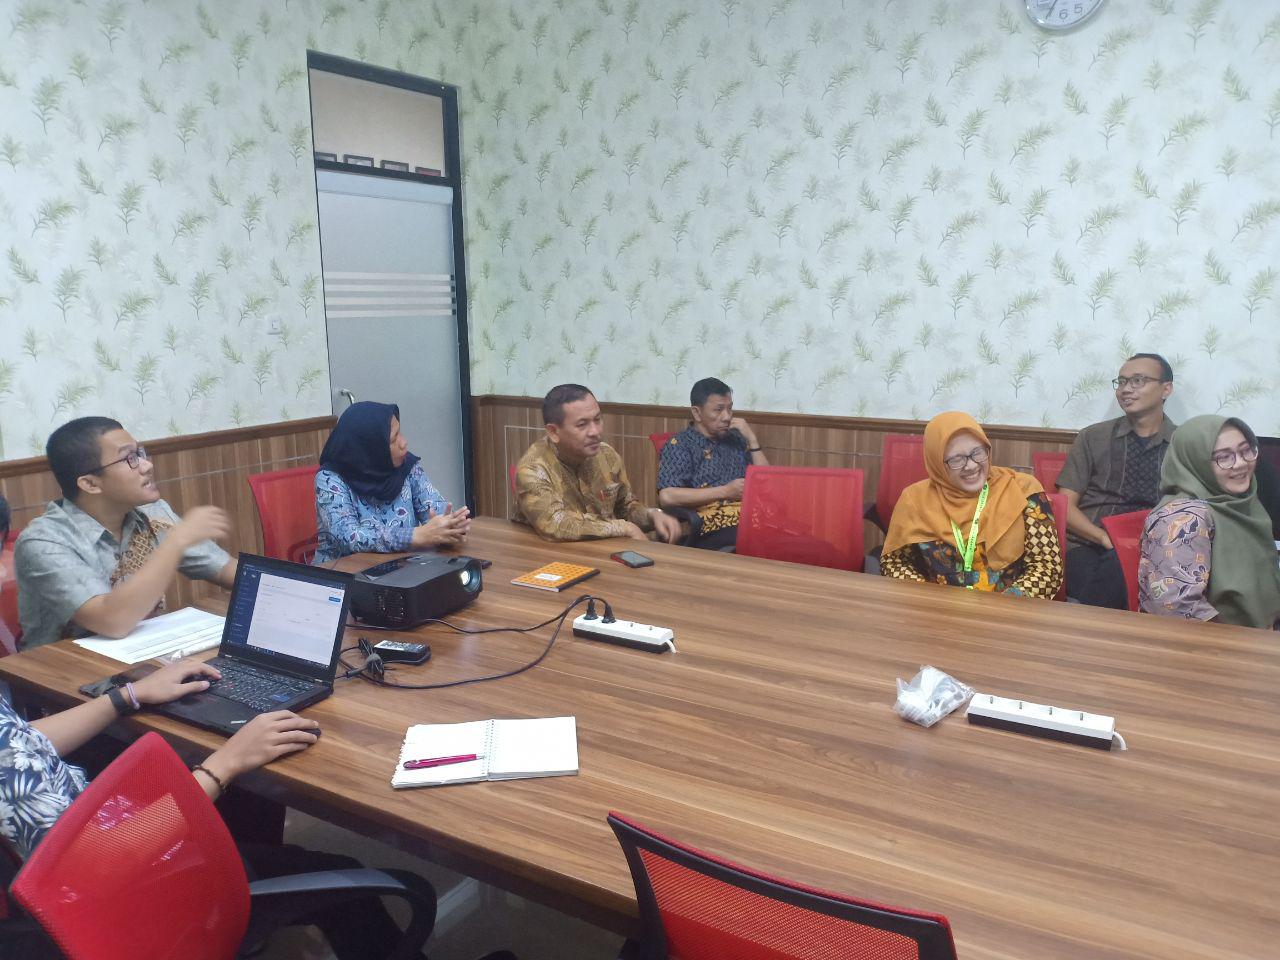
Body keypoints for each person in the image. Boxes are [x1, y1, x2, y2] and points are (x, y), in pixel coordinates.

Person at [15, 417, 235, 649]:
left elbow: (225, 569)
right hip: (65, 666)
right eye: (130, 458)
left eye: (140, 453)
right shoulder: (43, 542)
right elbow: (112, 621)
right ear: (90, 484)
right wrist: (176, 542)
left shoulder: (152, 512)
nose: (147, 465)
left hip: (144, 653)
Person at [881, 412, 1063, 597]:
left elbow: (1047, 567)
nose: (971, 466)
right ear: (937, 463)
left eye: (977, 452)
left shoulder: (1023, 490)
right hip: (936, 609)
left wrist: (1006, 605)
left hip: (1010, 608)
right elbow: (895, 564)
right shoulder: (914, 500)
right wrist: (929, 600)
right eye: (956, 459)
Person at [1057, 354, 1176, 609]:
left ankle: (1080, 626)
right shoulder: (1093, 437)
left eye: (1138, 381)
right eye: (1121, 382)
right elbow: (1064, 505)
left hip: (1149, 548)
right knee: (1112, 572)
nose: (1126, 389)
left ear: (1166, 389)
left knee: (1120, 567)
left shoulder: (1182, 444)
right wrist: (1102, 538)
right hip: (1087, 542)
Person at [1138, 415, 1280, 629]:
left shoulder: (1240, 503)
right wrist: (1248, 642)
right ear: (1195, 462)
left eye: (1246, 451)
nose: (1241, 463)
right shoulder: (1184, 519)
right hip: (1217, 640)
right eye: (1224, 457)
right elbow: (1177, 609)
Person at [516, 384, 681, 543]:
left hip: (606, 550)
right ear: (553, 432)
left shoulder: (607, 455)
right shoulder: (532, 469)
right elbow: (555, 524)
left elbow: (625, 506)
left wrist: (652, 514)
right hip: (551, 555)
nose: (595, 432)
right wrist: (622, 528)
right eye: (582, 425)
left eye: (597, 420)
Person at [314, 401, 470, 565]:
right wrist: (413, 536)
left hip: (402, 568)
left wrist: (448, 526)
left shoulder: (406, 465)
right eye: (394, 439)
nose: (404, 443)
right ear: (372, 447)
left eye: (400, 432)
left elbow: (433, 509)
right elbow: (349, 537)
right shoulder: (329, 478)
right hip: (342, 571)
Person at [656, 377, 769, 550]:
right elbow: (667, 496)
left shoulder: (736, 439)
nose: (727, 417)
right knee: (760, 544)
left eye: (730, 409)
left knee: (804, 543)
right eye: (718, 410)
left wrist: (752, 440)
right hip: (716, 525)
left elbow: (767, 484)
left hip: (757, 518)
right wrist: (726, 491)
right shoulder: (680, 445)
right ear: (697, 413)